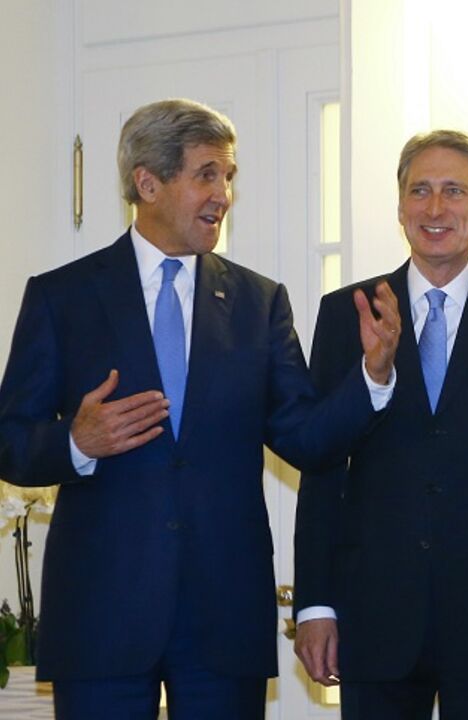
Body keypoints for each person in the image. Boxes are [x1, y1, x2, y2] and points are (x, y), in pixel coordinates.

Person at [0, 98, 400, 719]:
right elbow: (11, 442)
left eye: (229, 177)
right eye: (207, 173)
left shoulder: (258, 302)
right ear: (148, 182)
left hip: (223, 616)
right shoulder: (61, 297)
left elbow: (306, 438)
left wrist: (372, 376)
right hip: (103, 615)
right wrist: (75, 442)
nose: (223, 194)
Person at [292, 129, 468, 719]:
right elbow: (322, 468)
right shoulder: (350, 312)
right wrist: (315, 605)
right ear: (400, 207)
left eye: (454, 191)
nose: (435, 208)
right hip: (373, 617)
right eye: (419, 191)